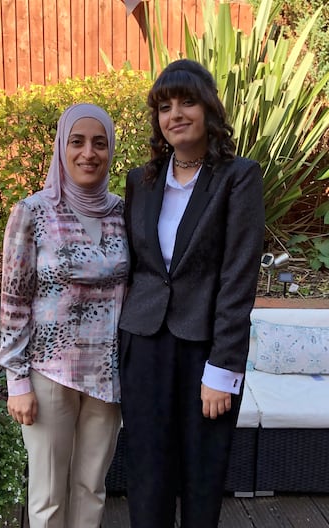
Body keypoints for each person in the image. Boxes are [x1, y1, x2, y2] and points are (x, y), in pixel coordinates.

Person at [119, 59, 265, 528]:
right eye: (164, 106)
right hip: (143, 342)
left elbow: (238, 277)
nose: (175, 114)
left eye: (187, 102)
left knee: (202, 476)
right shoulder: (141, 180)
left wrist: (223, 368)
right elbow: (135, 269)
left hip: (204, 348)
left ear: (208, 109)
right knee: (147, 473)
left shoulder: (238, 176)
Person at [0, 103, 129, 528]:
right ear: (61, 147)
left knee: (91, 489)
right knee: (48, 495)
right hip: (50, 373)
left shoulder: (123, 213)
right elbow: (14, 300)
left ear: (111, 150)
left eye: (99, 143)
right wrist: (16, 380)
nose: (88, 153)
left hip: (108, 378)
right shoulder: (33, 212)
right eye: (77, 141)